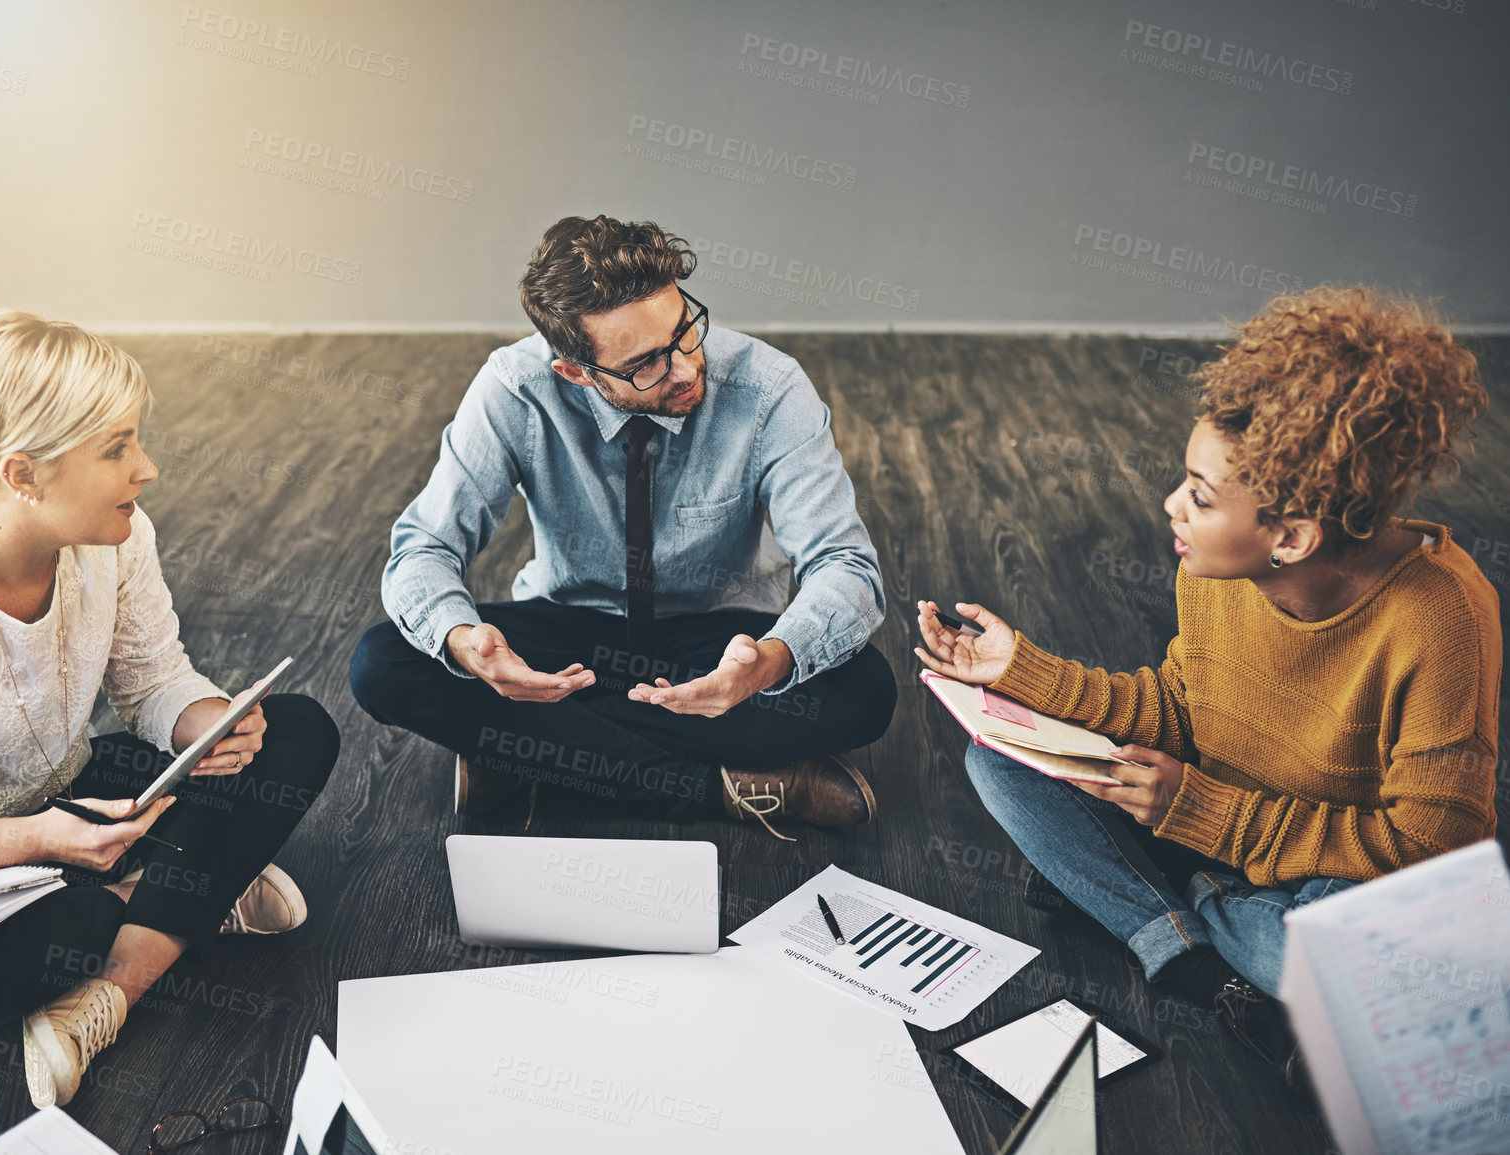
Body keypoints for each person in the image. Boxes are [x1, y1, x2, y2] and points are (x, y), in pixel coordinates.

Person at [916, 286, 1498, 1084]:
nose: (1170, 507)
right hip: (1208, 812)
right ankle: (1197, 959)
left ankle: (1160, 901)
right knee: (997, 761)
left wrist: (1200, 818)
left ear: (1290, 536)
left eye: (1198, 495)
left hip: (1324, 873)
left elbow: (1434, 851)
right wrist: (1024, 674)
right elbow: (1185, 707)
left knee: (1353, 959)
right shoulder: (1216, 567)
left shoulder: (1441, 615)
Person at [0, 310, 340, 1108]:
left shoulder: (117, 534)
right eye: (116, 449)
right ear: (22, 474)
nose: (145, 469)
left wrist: (206, 724)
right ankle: (187, 891)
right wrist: (36, 840)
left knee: (295, 732)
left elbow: (152, 680)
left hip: (69, 805)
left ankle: (111, 987)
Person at [349, 215, 896, 838]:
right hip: (574, 637)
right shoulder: (515, 388)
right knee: (384, 661)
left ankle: (533, 755)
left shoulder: (769, 386)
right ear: (576, 372)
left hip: (716, 644)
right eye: (646, 365)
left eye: (685, 331)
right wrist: (466, 644)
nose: (687, 369)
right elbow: (425, 545)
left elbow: (845, 565)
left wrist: (770, 662)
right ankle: (719, 791)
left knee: (866, 692)